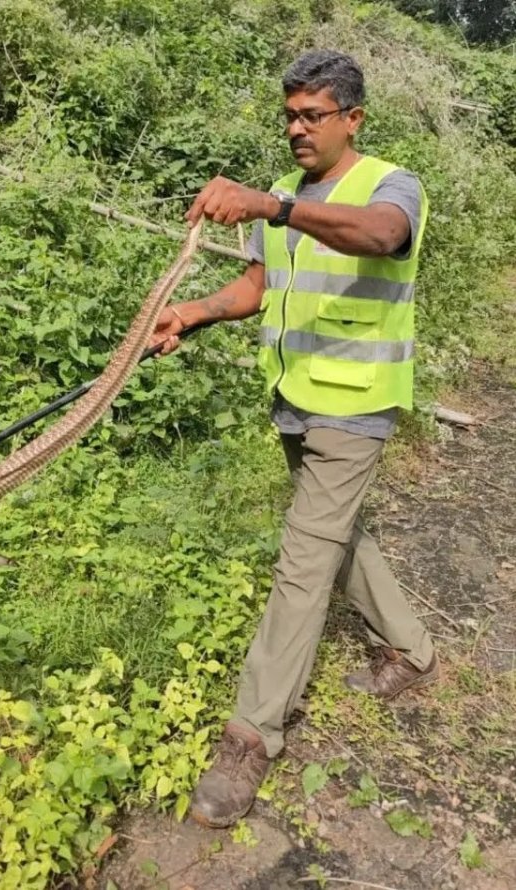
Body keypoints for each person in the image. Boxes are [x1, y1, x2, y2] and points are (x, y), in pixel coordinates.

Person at [149, 49, 439, 830]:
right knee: (337, 536)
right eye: (290, 115)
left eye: (313, 115)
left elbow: (381, 237)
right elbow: (260, 285)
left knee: (303, 560)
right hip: (294, 398)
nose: (298, 128)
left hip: (357, 404)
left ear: (353, 119)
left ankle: (252, 735)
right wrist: (195, 314)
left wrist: (273, 209)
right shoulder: (278, 198)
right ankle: (410, 651)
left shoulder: (389, 183)